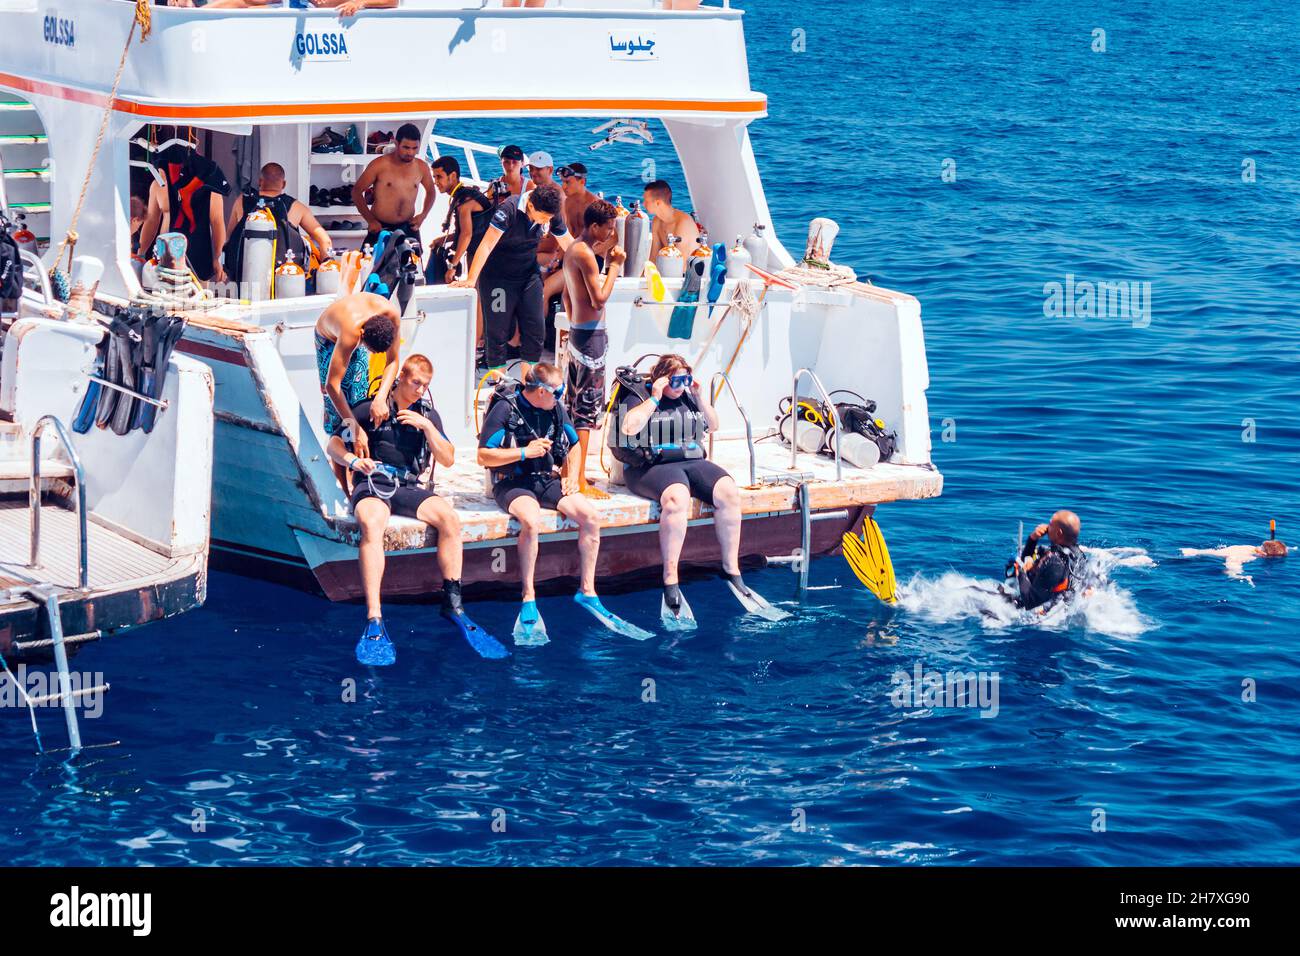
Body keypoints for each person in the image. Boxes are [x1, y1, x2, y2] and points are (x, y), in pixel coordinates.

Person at [326, 354, 462, 665]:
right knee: (372, 525)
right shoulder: (369, 408)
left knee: (450, 520)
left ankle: (453, 599)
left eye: (425, 386)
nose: (420, 390)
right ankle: (374, 615)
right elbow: (334, 444)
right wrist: (352, 461)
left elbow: (448, 458)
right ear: (400, 377)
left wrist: (427, 427)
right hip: (373, 481)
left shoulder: (427, 414)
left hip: (409, 486)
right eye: (416, 383)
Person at [477, 364, 606, 641]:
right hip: (512, 483)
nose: (561, 397)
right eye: (557, 391)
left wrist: (572, 477)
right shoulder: (506, 408)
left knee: (591, 517)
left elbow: (574, 444)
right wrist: (524, 452)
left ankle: (587, 590)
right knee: (531, 521)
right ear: (539, 391)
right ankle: (528, 595)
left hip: (547, 479)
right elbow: (484, 456)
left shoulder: (556, 409)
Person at [614, 353, 746, 619]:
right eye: (676, 380)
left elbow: (714, 425)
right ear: (662, 378)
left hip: (689, 460)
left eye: (686, 379)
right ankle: (670, 577)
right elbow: (628, 428)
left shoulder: (688, 395)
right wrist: (655, 396)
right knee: (677, 498)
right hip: (649, 467)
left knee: (729, 492)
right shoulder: (638, 395)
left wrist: (699, 397)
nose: (681, 385)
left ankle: (731, 568)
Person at [452, 184, 572, 380]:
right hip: (498, 278)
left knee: (535, 330)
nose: (545, 223)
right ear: (530, 206)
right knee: (497, 332)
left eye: (548, 219)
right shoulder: (508, 209)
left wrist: (588, 269)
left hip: (528, 275)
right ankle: (500, 386)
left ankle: (528, 385)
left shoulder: (550, 211)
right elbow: (487, 244)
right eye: (543, 218)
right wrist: (471, 279)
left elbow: (568, 242)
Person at [560, 199, 623, 498]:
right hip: (591, 338)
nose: (611, 232)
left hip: (577, 333)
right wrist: (614, 267)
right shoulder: (586, 256)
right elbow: (599, 298)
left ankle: (568, 469)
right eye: (608, 227)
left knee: (573, 406)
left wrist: (610, 248)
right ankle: (580, 479)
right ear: (594, 226)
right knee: (585, 411)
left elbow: (566, 296)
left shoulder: (574, 249)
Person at [315, 292, 402, 465]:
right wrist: (354, 428)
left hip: (360, 324)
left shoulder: (392, 317)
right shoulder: (351, 333)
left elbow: (392, 360)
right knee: (340, 415)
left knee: (359, 402)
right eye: (371, 350)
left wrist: (380, 399)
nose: (373, 355)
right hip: (328, 338)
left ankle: (360, 458)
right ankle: (342, 463)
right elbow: (332, 385)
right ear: (362, 336)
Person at [136, 125, 230, 284]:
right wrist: (141, 253)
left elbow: (217, 222)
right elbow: (151, 221)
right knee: (165, 302)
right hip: (165, 260)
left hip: (197, 258)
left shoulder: (208, 182)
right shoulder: (159, 182)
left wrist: (218, 259)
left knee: (194, 303)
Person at [223, 162, 332, 288]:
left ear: (259, 181)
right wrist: (327, 269)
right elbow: (325, 241)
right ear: (284, 184)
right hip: (285, 282)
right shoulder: (296, 207)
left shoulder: (241, 201)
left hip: (244, 281)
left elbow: (229, 238)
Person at [352, 122, 434, 250]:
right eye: (406, 147)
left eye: (414, 148)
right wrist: (370, 220)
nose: (410, 153)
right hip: (380, 227)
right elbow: (356, 192)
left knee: (413, 268)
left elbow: (431, 192)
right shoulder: (379, 165)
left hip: (408, 227)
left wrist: (423, 215)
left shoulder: (421, 167)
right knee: (371, 267)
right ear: (396, 143)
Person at [426, 156, 490, 285]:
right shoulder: (464, 195)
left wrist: (452, 267)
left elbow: (466, 235)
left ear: (453, 176)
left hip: (483, 253)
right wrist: (442, 239)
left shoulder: (464, 203)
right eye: (434, 177)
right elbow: (468, 230)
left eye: (439, 177)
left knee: (478, 292)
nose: (435, 181)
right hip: (481, 249)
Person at [1010, 510, 1082, 610]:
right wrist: (1033, 539)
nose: (1046, 527)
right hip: (1054, 600)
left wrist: (1021, 570)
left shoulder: (1055, 563)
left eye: (1050, 524)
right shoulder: (1078, 554)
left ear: (1059, 533)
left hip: (1038, 613)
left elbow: (1030, 602)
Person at [1182, 529, 1287, 585]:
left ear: (1263, 554)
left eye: (1261, 547)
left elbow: (1233, 559)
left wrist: (1234, 572)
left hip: (1193, 552)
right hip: (1193, 555)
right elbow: (1233, 559)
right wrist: (1236, 574)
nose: (1258, 547)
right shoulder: (1251, 555)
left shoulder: (1249, 552)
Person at [643, 179, 700, 263]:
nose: (643, 204)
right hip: (669, 269)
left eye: (646, 201)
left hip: (687, 273)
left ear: (658, 203)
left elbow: (682, 265)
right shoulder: (657, 221)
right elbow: (654, 258)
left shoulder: (683, 223)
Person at [559, 162, 600, 238]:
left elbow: (613, 237)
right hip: (573, 246)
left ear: (582, 182)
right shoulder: (567, 202)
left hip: (590, 248)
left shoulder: (595, 205)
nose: (563, 186)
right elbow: (569, 232)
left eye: (567, 182)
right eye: (562, 182)